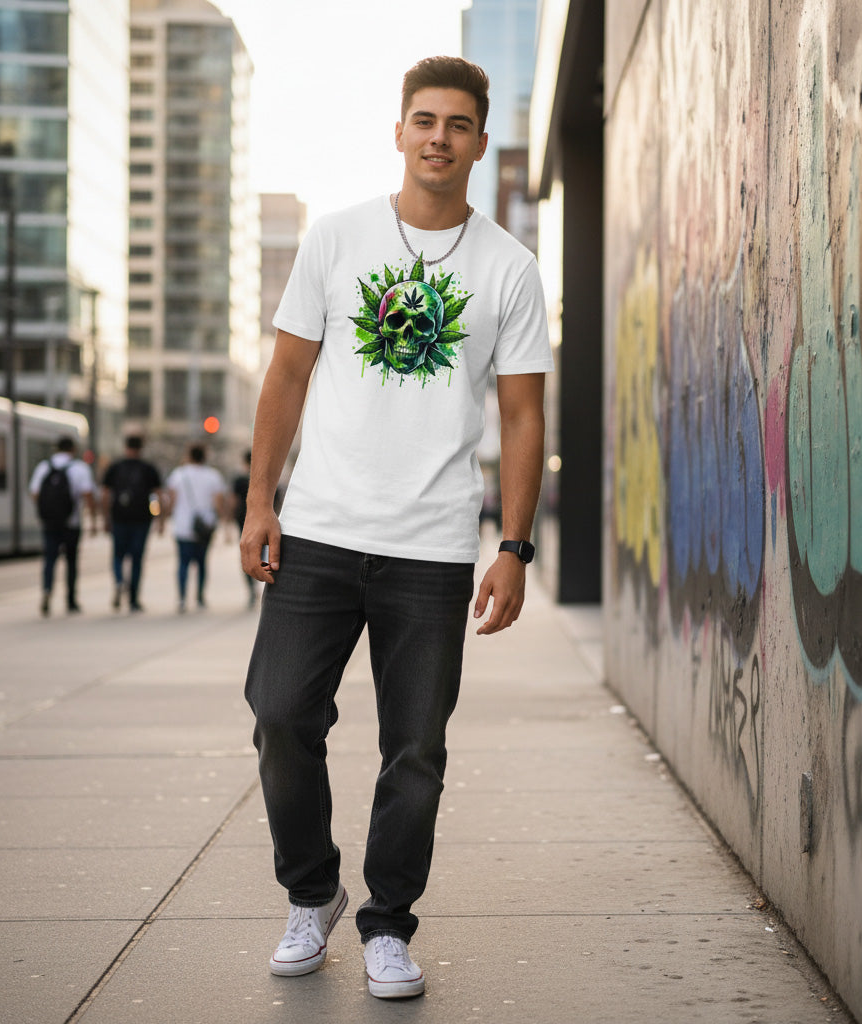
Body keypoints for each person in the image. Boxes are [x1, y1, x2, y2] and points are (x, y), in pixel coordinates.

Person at [239, 56, 553, 1000]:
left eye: (457, 124)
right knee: (280, 714)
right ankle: (312, 894)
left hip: (432, 546)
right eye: (424, 120)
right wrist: (261, 500)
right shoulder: (337, 240)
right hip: (321, 532)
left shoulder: (509, 266)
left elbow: (525, 416)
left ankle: (387, 923)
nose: (438, 138)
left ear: (478, 141)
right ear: (400, 131)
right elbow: (286, 378)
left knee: (414, 748)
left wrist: (514, 544)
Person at [29, 436, 96, 617]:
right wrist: (94, 519)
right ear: (73, 449)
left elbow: (34, 492)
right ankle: (71, 600)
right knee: (71, 562)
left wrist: (46, 511)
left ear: (56, 449)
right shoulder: (79, 468)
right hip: (71, 523)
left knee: (50, 559)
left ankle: (47, 591)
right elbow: (88, 494)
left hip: (50, 522)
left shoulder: (44, 467)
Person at [101, 434, 164, 612]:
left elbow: (105, 495)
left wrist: (105, 518)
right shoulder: (148, 468)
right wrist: (160, 519)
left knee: (118, 555)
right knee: (137, 559)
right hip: (141, 520)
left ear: (125, 446)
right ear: (141, 448)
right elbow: (158, 495)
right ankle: (134, 599)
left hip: (119, 518)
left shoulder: (115, 467)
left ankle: (120, 581)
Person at [165, 443, 226, 612]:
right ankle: (199, 596)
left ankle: (182, 598)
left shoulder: (178, 474)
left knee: (183, 562)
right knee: (202, 562)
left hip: (183, 526)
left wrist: (164, 519)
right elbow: (219, 502)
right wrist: (222, 521)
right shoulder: (213, 476)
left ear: (189, 456)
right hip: (205, 526)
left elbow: (171, 500)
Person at [229, 449, 258, 609]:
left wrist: (228, 520)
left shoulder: (239, 480)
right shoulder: (265, 478)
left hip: (244, 521)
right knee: (265, 554)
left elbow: (233, 501)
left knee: (247, 554)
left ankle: (251, 587)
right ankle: (262, 584)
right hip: (264, 523)